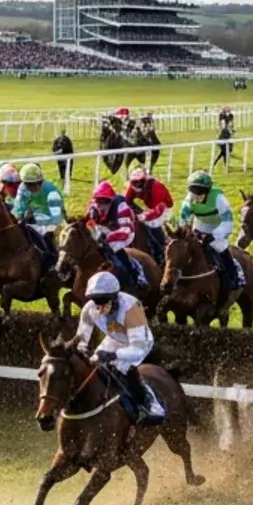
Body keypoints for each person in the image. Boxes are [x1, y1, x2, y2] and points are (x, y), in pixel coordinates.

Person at [74, 271, 164, 425]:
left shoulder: (130, 308)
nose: (99, 306)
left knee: (121, 368)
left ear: (115, 298)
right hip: (115, 340)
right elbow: (82, 336)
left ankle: (152, 405)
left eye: (103, 300)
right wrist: (81, 350)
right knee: (93, 363)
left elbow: (137, 346)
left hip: (139, 343)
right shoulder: (90, 308)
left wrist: (113, 355)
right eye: (96, 300)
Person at [177, 170, 238, 292]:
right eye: (194, 193)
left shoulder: (218, 198)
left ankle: (233, 277)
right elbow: (183, 221)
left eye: (201, 193)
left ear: (208, 191)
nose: (197, 196)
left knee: (218, 245)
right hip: (201, 225)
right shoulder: (189, 200)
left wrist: (214, 235)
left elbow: (228, 221)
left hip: (219, 225)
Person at [85, 180, 144, 287]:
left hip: (124, 230)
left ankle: (135, 276)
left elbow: (126, 230)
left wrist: (109, 236)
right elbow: (88, 224)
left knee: (115, 249)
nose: (100, 205)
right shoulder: (93, 207)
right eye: (98, 201)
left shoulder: (121, 205)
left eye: (104, 201)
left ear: (110, 200)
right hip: (104, 230)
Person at [10, 162, 64, 260]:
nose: (33, 187)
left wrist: (36, 216)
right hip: (31, 223)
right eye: (28, 185)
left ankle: (53, 259)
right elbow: (17, 210)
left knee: (49, 236)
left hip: (51, 225)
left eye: (37, 183)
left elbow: (57, 219)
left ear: (41, 181)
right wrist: (22, 214)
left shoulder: (51, 192)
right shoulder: (23, 188)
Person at [125, 165, 173, 260]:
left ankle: (161, 248)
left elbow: (158, 210)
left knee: (152, 224)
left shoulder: (156, 187)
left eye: (141, 182)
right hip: (152, 208)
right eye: (136, 183)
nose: (139, 185)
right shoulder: (132, 186)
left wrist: (144, 216)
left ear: (146, 179)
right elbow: (127, 201)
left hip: (164, 209)